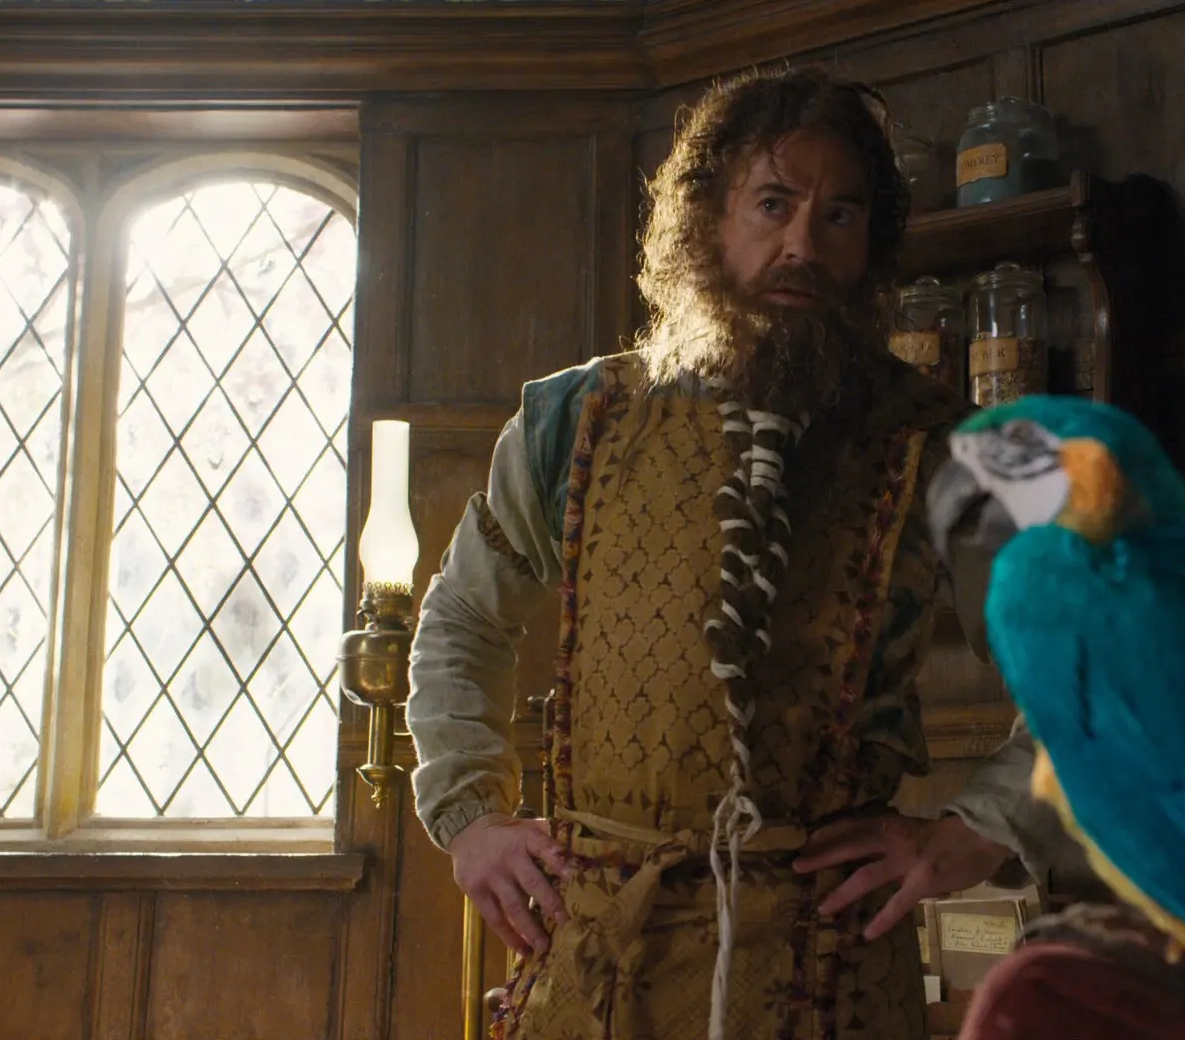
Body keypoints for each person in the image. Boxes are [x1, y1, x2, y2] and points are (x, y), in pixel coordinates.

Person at [404, 66, 1067, 1040]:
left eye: (839, 215)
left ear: (872, 239)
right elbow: (463, 620)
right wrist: (469, 818)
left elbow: (1097, 669)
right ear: (710, 216)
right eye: (773, 203)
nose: (803, 244)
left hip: (828, 977)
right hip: (599, 963)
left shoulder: (949, 448)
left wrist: (978, 830)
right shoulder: (576, 418)